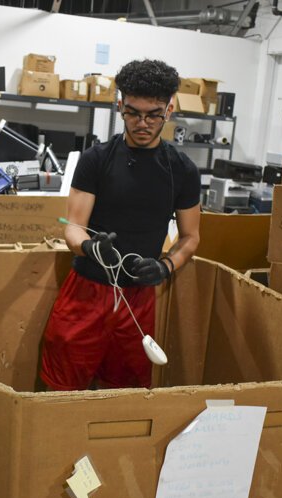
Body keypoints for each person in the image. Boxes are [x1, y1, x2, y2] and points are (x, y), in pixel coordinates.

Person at [40, 59, 201, 391]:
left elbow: (190, 236)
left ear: (169, 109)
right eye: (132, 112)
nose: (142, 123)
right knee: (61, 388)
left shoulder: (182, 170)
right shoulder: (95, 160)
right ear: (119, 106)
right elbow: (73, 226)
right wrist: (87, 246)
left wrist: (166, 266)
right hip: (86, 293)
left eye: (153, 114)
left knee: (126, 394)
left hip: (138, 298)